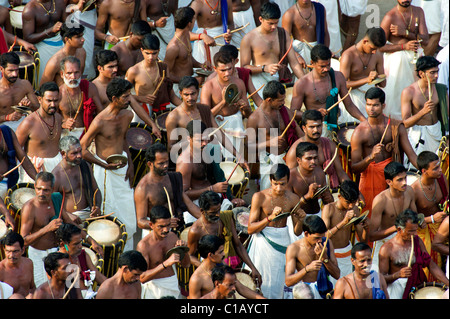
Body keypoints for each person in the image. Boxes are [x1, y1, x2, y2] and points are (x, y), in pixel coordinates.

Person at [79, 77, 137, 251]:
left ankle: (127, 254)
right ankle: (109, 258)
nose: (129, 99)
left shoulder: (128, 115)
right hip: (104, 172)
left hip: (123, 167)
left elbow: (124, 139)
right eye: (125, 97)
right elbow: (82, 150)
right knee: (108, 216)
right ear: (114, 99)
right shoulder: (100, 121)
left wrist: (131, 164)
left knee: (128, 215)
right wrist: (104, 165)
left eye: (129, 95)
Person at [350, 87, 418, 220]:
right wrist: (370, 157)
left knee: (394, 216)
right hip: (370, 182)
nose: (371, 109)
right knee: (370, 219)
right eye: (368, 105)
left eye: (375, 105)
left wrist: (426, 169)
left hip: (393, 180)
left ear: (383, 105)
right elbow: (354, 167)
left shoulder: (396, 126)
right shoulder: (359, 132)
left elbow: (411, 154)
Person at [246, 163, 304, 299]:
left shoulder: (294, 199)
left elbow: (296, 232)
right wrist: (269, 218)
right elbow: (250, 229)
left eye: (282, 184)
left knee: (279, 283)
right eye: (275, 184)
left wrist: (300, 220)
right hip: (263, 244)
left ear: (288, 181)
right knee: (263, 281)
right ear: (270, 181)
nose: (279, 188)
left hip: (284, 242)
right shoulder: (259, 197)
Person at [176, 120, 245, 224]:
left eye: (206, 139)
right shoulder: (185, 162)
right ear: (188, 138)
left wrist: (230, 197)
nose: (204, 143)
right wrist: (212, 188)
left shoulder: (206, 151)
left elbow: (214, 177)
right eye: (200, 140)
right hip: (198, 207)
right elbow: (183, 194)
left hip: (215, 199)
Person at [19, 172, 81, 288]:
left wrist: (90, 239)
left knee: (64, 288)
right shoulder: (29, 208)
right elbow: (23, 241)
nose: (41, 193)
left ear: (52, 189)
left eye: (46, 190)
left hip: (58, 252)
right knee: (43, 288)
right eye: (38, 189)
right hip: (39, 254)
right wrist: (47, 228)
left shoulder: (56, 199)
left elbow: (70, 223)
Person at [291, 44, 365, 136]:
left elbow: (349, 105)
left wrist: (364, 120)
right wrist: (313, 113)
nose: (326, 69)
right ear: (312, 63)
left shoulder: (338, 77)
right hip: (315, 130)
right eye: (322, 66)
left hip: (336, 124)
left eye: (328, 65)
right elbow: (293, 113)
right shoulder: (302, 83)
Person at [186, 191, 261, 280]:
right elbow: (190, 255)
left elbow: (238, 245)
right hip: (211, 274)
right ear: (202, 211)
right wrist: (207, 267)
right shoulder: (196, 231)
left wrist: (253, 268)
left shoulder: (226, 217)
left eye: (219, 209)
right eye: (213, 212)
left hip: (232, 266)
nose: (218, 214)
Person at [378, 209, 448, 299]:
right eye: (410, 231)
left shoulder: (417, 241)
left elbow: (431, 265)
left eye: (415, 230)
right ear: (399, 229)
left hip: (417, 288)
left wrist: (447, 283)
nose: (415, 234)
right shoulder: (386, 249)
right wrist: (397, 275)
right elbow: (381, 278)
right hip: (397, 289)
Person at [240, 2, 304, 99]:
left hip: (278, 80)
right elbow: (244, 68)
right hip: (259, 80)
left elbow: (294, 63)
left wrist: (305, 81)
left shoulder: (283, 34)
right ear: (260, 19)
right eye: (270, 23)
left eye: (276, 23)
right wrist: (264, 68)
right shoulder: (249, 38)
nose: (274, 27)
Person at [134, 142, 200, 237]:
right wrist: (164, 223)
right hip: (154, 234)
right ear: (150, 164)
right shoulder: (143, 188)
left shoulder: (173, 178)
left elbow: (188, 204)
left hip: (175, 231)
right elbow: (141, 221)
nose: (165, 165)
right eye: (161, 163)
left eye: (167, 162)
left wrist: (205, 219)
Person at [91, 50, 162, 137]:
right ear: (100, 68)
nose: (115, 70)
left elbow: (135, 105)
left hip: (122, 127)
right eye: (111, 67)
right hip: (105, 133)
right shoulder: (94, 88)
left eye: (116, 66)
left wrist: (152, 125)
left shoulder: (119, 83)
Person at [246, 80, 302, 190]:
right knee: (268, 193)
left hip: (288, 158)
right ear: (269, 100)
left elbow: (299, 132)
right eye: (280, 100)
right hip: (268, 161)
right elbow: (249, 145)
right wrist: (269, 142)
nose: (283, 102)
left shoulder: (284, 110)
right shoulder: (254, 118)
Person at [379, 0, 429, 120]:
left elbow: (426, 40)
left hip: (416, 61)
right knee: (395, 100)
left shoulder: (418, 12)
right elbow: (379, 46)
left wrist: (406, 33)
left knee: (417, 95)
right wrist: (403, 47)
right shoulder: (389, 17)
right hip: (397, 64)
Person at [165, 76, 238, 154]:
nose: (190, 98)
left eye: (193, 94)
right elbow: (171, 147)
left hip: (208, 156)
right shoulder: (174, 116)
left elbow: (220, 135)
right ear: (180, 94)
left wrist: (238, 156)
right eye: (186, 95)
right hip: (187, 161)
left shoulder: (204, 110)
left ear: (198, 91)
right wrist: (193, 142)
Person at [200, 50, 252, 159]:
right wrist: (223, 102)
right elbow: (204, 116)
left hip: (236, 125)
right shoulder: (208, 87)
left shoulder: (239, 83)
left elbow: (247, 114)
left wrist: (245, 108)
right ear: (215, 69)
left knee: (236, 162)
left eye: (230, 69)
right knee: (221, 162)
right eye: (223, 70)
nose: (227, 73)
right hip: (217, 127)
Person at [368, 161, 417, 272]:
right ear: (389, 182)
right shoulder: (380, 200)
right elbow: (372, 236)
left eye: (405, 178)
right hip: (384, 242)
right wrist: (395, 228)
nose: (404, 182)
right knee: (379, 278)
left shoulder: (409, 191)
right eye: (399, 180)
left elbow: (415, 217)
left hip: (406, 239)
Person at [401, 56, 449, 170]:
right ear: (421, 73)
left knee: (439, 169)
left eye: (437, 72)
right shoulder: (409, 92)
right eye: (432, 73)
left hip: (437, 133)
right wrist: (423, 112)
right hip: (419, 135)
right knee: (419, 170)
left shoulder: (441, 89)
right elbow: (405, 123)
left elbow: (447, 114)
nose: (436, 76)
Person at [285, 109, 349, 190]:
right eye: (312, 127)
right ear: (304, 128)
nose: (316, 130)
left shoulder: (329, 144)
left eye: (318, 126)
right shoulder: (294, 150)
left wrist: (351, 190)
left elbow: (341, 173)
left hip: (328, 190)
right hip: (304, 193)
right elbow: (290, 180)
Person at [137, 205, 190, 299]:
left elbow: (186, 265)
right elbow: (142, 277)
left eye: (168, 225)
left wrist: (184, 250)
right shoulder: (144, 245)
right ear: (151, 225)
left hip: (172, 284)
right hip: (154, 291)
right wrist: (166, 264)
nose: (166, 230)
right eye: (161, 226)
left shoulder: (173, 237)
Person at [188, 234, 265, 299]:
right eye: (220, 252)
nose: (224, 254)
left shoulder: (222, 265)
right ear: (210, 255)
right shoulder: (196, 279)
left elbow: (241, 288)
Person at [410, 151, 448, 281]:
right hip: (424, 232)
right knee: (430, 267)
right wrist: (432, 219)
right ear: (424, 171)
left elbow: (447, 199)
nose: (440, 170)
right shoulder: (414, 190)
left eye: (439, 166)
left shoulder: (441, 178)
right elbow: (411, 219)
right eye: (435, 168)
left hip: (443, 227)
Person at [15, 82, 63, 184]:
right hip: (35, 171)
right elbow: (16, 150)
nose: (53, 105)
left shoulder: (58, 118)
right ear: (40, 99)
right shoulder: (29, 122)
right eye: (49, 101)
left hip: (57, 167)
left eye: (56, 100)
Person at [322, 180, 368, 283]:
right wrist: (343, 223)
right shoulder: (328, 209)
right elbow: (323, 237)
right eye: (348, 202)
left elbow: (363, 240)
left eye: (353, 202)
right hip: (333, 257)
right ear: (339, 197)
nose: (351, 206)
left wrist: (366, 228)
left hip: (348, 255)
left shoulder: (355, 209)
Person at [125, 33, 181, 117]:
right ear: (141, 50)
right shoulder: (133, 71)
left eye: (154, 53)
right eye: (147, 53)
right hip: (141, 112)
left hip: (160, 112)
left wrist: (186, 107)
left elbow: (171, 94)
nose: (151, 57)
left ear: (159, 51)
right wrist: (141, 98)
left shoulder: (163, 68)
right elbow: (124, 95)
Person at [284, 215, 340, 299]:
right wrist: (307, 269)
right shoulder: (294, 248)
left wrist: (325, 259)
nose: (320, 241)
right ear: (306, 233)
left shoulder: (327, 243)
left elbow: (337, 274)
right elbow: (288, 281)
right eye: (317, 238)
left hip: (326, 290)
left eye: (322, 237)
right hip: (306, 293)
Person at [339, 27, 387, 123]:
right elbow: (343, 86)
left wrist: (378, 77)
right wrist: (366, 80)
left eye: (377, 49)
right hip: (352, 101)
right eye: (372, 48)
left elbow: (383, 84)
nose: (374, 52)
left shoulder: (377, 54)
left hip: (371, 100)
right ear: (365, 41)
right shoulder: (348, 55)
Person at [52, 136, 101, 220]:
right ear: (63, 154)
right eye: (74, 153)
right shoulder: (56, 176)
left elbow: (96, 190)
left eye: (80, 151)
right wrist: (67, 215)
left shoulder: (85, 166)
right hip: (69, 220)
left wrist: (97, 207)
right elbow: (52, 204)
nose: (79, 156)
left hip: (89, 215)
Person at [58, 56, 104, 140]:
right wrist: (63, 123)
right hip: (66, 134)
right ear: (62, 74)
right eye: (69, 73)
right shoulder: (58, 93)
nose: (73, 77)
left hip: (88, 133)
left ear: (81, 72)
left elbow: (100, 113)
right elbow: (51, 119)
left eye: (76, 72)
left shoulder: (90, 88)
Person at [56, 223, 107, 299]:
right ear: (63, 244)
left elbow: (99, 277)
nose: (80, 246)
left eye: (80, 242)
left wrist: (116, 286)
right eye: (76, 244)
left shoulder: (83, 255)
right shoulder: (55, 263)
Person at [21, 0, 67, 85]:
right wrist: (50, 31)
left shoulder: (60, 3)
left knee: (63, 79)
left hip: (60, 43)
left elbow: (66, 25)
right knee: (45, 83)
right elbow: (28, 38)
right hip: (41, 45)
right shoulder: (30, 9)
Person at [164, 7, 207, 93]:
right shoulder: (174, 47)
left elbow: (187, 57)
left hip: (191, 84)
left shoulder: (187, 36)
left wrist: (201, 65)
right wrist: (190, 81)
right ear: (189, 24)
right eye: (194, 19)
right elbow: (166, 75)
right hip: (179, 89)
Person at [288, 142, 334, 217]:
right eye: (309, 158)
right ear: (298, 160)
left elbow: (329, 202)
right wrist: (307, 196)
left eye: (315, 158)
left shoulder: (320, 173)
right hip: (297, 218)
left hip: (317, 215)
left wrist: (328, 197)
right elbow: (288, 208)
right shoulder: (290, 177)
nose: (313, 161)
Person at [282, 0, 330, 71]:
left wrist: (325, 53)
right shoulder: (289, 14)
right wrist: (297, 56)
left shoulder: (320, 8)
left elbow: (325, 33)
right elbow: (284, 41)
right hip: (300, 53)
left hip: (318, 51)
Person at [0, 52, 40, 131]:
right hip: (4, 126)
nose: (15, 74)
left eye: (16, 70)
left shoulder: (24, 84)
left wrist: (29, 105)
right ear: (1, 69)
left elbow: (38, 109)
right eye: (10, 71)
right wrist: (7, 117)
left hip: (23, 124)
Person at [189, 0, 234, 68]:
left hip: (222, 44)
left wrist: (229, 33)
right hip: (203, 45)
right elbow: (186, 33)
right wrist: (203, 36)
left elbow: (230, 23)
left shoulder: (226, 1)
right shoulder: (197, 4)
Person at [39, 23, 86, 87]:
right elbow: (43, 87)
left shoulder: (82, 52)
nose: (83, 39)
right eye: (78, 37)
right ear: (67, 39)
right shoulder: (55, 62)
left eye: (82, 36)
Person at [65, 0, 98, 80]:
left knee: (87, 56)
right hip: (74, 20)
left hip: (91, 17)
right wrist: (75, 7)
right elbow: (61, 9)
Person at [0, 232, 35, 298]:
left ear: (23, 250)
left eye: (15, 251)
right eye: (8, 251)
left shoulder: (29, 263)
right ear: (4, 250)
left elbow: (32, 287)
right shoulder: (1, 269)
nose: (11, 255)